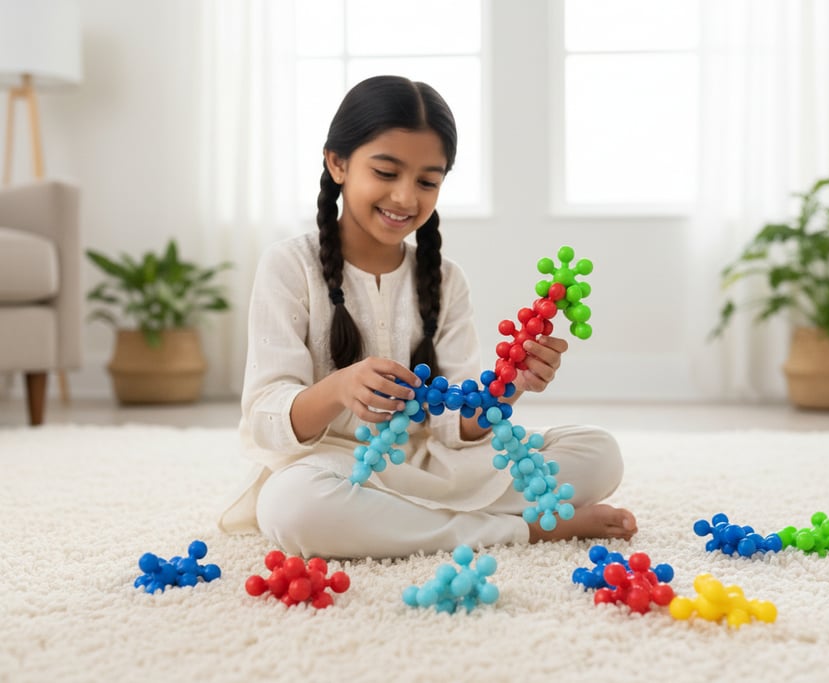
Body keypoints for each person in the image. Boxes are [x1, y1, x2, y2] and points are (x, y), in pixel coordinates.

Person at [218, 75, 636, 559]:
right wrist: (338, 388)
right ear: (337, 163)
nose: (404, 198)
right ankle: (524, 530)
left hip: (437, 467)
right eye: (386, 172)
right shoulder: (289, 265)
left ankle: (427, 524)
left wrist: (508, 387)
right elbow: (267, 415)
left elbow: (455, 424)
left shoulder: (446, 279)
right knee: (292, 508)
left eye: (426, 181)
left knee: (599, 453)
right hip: (333, 468)